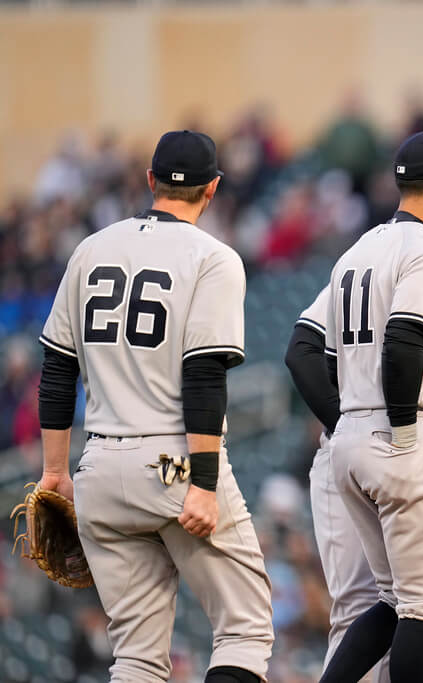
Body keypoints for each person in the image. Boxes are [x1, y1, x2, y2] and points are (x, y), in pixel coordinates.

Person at [35, 130, 274, 682]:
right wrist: (206, 484)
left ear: (150, 181)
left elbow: (56, 369)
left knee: (136, 658)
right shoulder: (213, 257)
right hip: (172, 462)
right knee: (245, 629)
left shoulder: (90, 248)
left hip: (97, 467)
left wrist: (54, 472)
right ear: (213, 189)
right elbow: (203, 374)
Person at [284, 187, 423, 682]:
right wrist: (347, 424)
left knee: (397, 603)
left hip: (389, 451)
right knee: (366, 605)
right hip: (368, 448)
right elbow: (302, 350)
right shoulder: (394, 263)